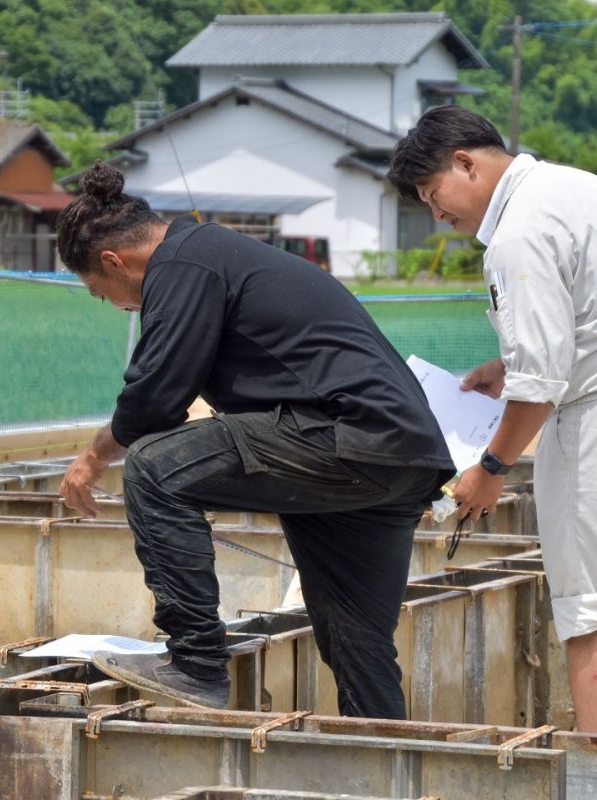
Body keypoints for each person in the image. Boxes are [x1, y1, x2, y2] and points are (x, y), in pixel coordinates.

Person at [55, 162, 454, 718]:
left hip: (343, 437)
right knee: (354, 638)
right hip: (399, 456)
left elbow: (154, 398)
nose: (122, 307)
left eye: (105, 295)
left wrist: (93, 458)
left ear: (112, 261)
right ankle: (384, 764)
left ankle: (194, 662)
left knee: (152, 466)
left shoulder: (182, 263)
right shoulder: (217, 255)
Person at [387, 106, 597, 739]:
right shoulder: (582, 186)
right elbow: (590, 323)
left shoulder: (517, 232)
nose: (438, 215)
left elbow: (541, 384)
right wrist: (506, 369)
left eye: (433, 196)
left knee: (591, 614)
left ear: (466, 163)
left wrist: (490, 468)